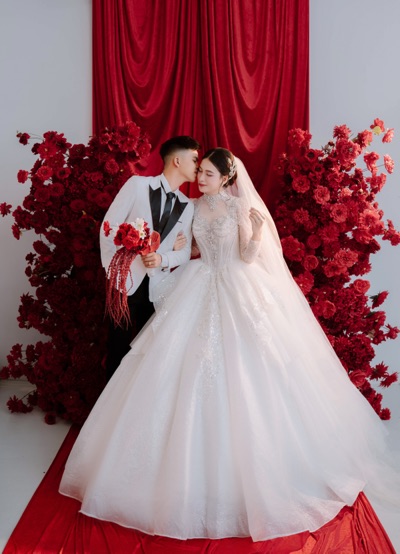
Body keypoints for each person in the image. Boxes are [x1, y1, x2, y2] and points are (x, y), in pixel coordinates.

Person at [60, 148, 399, 543]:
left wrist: (255, 233)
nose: (200, 178)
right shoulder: (191, 208)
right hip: (198, 282)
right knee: (174, 363)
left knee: (247, 369)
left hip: (236, 285)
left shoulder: (239, 208)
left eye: (208, 173)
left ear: (226, 178)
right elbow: (187, 250)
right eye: (200, 171)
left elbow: (249, 256)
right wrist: (165, 254)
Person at [100, 135, 200, 380]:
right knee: (117, 349)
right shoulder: (137, 185)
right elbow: (108, 228)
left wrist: (162, 259)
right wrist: (117, 267)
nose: (198, 166)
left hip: (159, 287)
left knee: (148, 355)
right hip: (125, 281)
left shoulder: (187, 206)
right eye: (194, 159)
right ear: (177, 161)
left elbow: (183, 253)